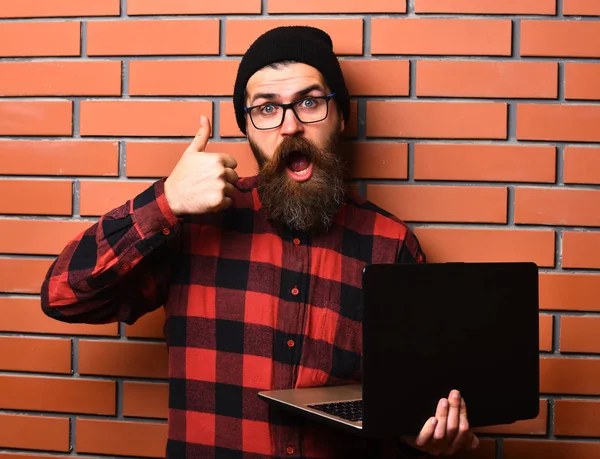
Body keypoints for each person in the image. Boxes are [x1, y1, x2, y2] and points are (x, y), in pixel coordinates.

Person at [41, 26, 479, 458]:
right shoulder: (192, 224)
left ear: (342, 116)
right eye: (267, 109)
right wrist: (166, 201)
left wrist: (426, 438)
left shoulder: (390, 245)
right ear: (247, 128)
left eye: (310, 103)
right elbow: (64, 297)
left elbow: (408, 408)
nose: (290, 127)